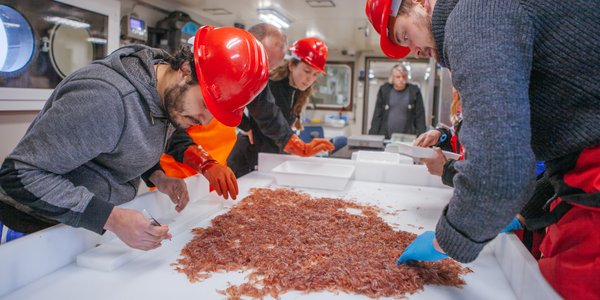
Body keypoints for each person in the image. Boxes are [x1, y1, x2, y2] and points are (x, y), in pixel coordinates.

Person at [366, 0, 600, 297]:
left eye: (404, 35)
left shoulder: (474, 15)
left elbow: (500, 170)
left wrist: (446, 240)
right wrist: (527, 210)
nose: (415, 50)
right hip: (575, 184)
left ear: (418, 3)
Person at [0, 26, 268, 250]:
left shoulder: (166, 89)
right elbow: (19, 174)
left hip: (84, 226)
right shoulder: (106, 98)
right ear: (186, 70)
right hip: (34, 229)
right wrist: (112, 218)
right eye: (205, 105)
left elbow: (132, 137)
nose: (205, 121)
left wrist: (157, 176)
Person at [161, 23, 288, 199]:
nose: (263, 70)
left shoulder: (244, 80)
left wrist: (246, 126)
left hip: (214, 172)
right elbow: (171, 130)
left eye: (269, 68)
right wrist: (203, 161)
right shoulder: (207, 68)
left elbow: (254, 109)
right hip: (178, 176)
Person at [227, 38, 335, 178]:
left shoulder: (297, 91)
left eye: (315, 74)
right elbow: (234, 103)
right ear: (291, 65)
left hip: (270, 158)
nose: (310, 79)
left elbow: (282, 126)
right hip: (248, 159)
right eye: (307, 71)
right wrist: (245, 126)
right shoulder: (269, 85)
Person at [368, 64, 426, 139]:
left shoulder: (414, 91)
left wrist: (422, 137)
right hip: (385, 136)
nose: (401, 79)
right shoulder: (384, 90)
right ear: (392, 78)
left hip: (407, 137)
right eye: (398, 77)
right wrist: (372, 136)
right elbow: (377, 115)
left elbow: (420, 116)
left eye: (404, 76)